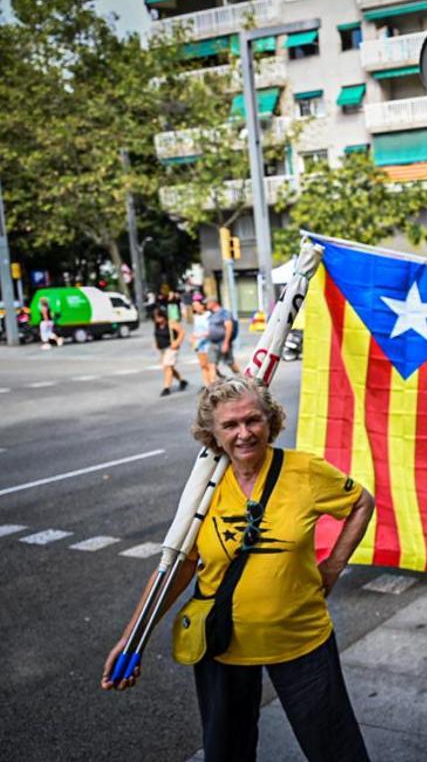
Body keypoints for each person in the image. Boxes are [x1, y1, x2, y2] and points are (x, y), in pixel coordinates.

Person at [102, 377, 375, 761]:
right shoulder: (204, 489)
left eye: (253, 420)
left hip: (301, 639)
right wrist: (133, 638)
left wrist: (333, 567)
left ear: (271, 421)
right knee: (226, 753)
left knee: (336, 751)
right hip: (221, 644)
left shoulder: (305, 471)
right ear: (212, 433)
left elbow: (362, 503)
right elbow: (179, 567)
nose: (244, 434)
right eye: (230, 425)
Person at [152, 308, 188, 397]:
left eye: (158, 317)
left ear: (163, 315)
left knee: (167, 367)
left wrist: (177, 342)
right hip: (163, 349)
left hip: (171, 348)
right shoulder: (157, 324)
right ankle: (182, 381)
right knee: (169, 367)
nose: (157, 319)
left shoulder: (171, 323)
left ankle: (166, 388)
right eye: (155, 318)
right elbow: (156, 334)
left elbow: (182, 332)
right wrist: (156, 343)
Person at [207, 296, 241, 376]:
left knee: (230, 363)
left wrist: (226, 343)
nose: (206, 305)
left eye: (207, 303)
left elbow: (229, 327)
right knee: (211, 364)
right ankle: (213, 386)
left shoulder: (224, 313)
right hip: (213, 343)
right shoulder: (212, 314)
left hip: (223, 342)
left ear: (213, 303)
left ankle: (243, 377)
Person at [192, 294, 214, 386]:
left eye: (197, 305)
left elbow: (212, 330)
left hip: (209, 344)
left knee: (210, 365)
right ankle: (207, 386)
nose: (195, 308)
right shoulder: (196, 317)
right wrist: (193, 340)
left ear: (202, 305)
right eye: (194, 306)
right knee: (203, 366)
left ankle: (213, 385)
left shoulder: (209, 315)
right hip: (199, 345)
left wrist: (199, 335)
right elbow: (195, 330)